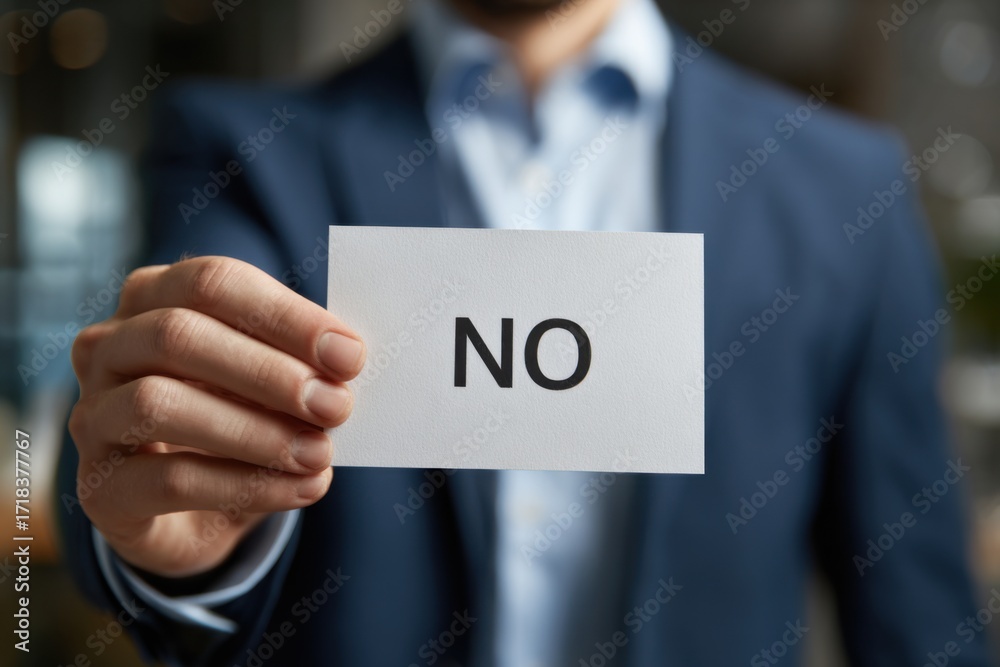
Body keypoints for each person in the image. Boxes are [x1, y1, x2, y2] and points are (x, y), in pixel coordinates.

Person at [59, 0, 992, 664]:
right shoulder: (242, 151)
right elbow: (156, 390)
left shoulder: (844, 186)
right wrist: (153, 505)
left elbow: (918, 614)